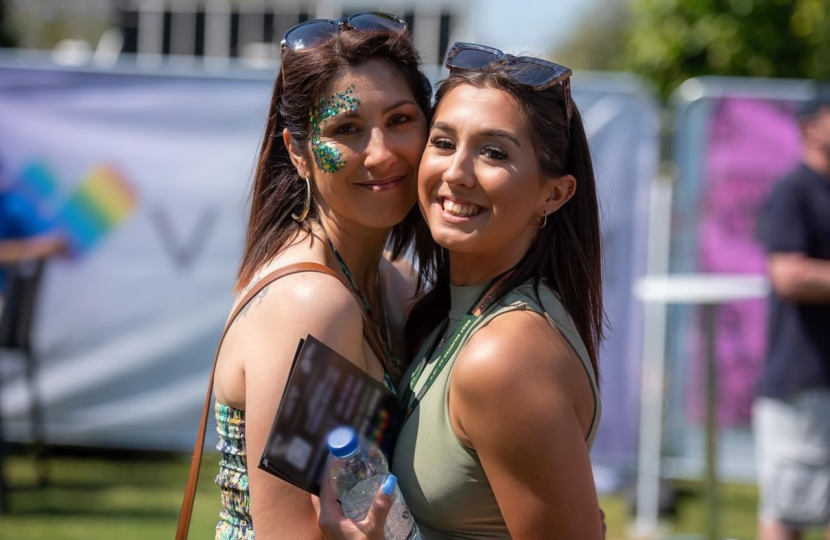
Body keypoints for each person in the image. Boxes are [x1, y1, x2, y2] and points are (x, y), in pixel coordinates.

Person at [318, 41, 605, 539]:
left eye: (494, 152)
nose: (456, 172)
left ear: (553, 193)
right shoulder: (447, 315)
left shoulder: (503, 357)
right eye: (444, 142)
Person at [209, 13, 432, 540]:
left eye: (400, 119)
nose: (381, 153)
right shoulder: (310, 301)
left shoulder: (397, 281)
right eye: (346, 130)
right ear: (298, 152)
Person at [754, 94, 830, 540]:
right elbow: (788, 274)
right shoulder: (793, 191)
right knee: (789, 514)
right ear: (809, 128)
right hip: (805, 383)